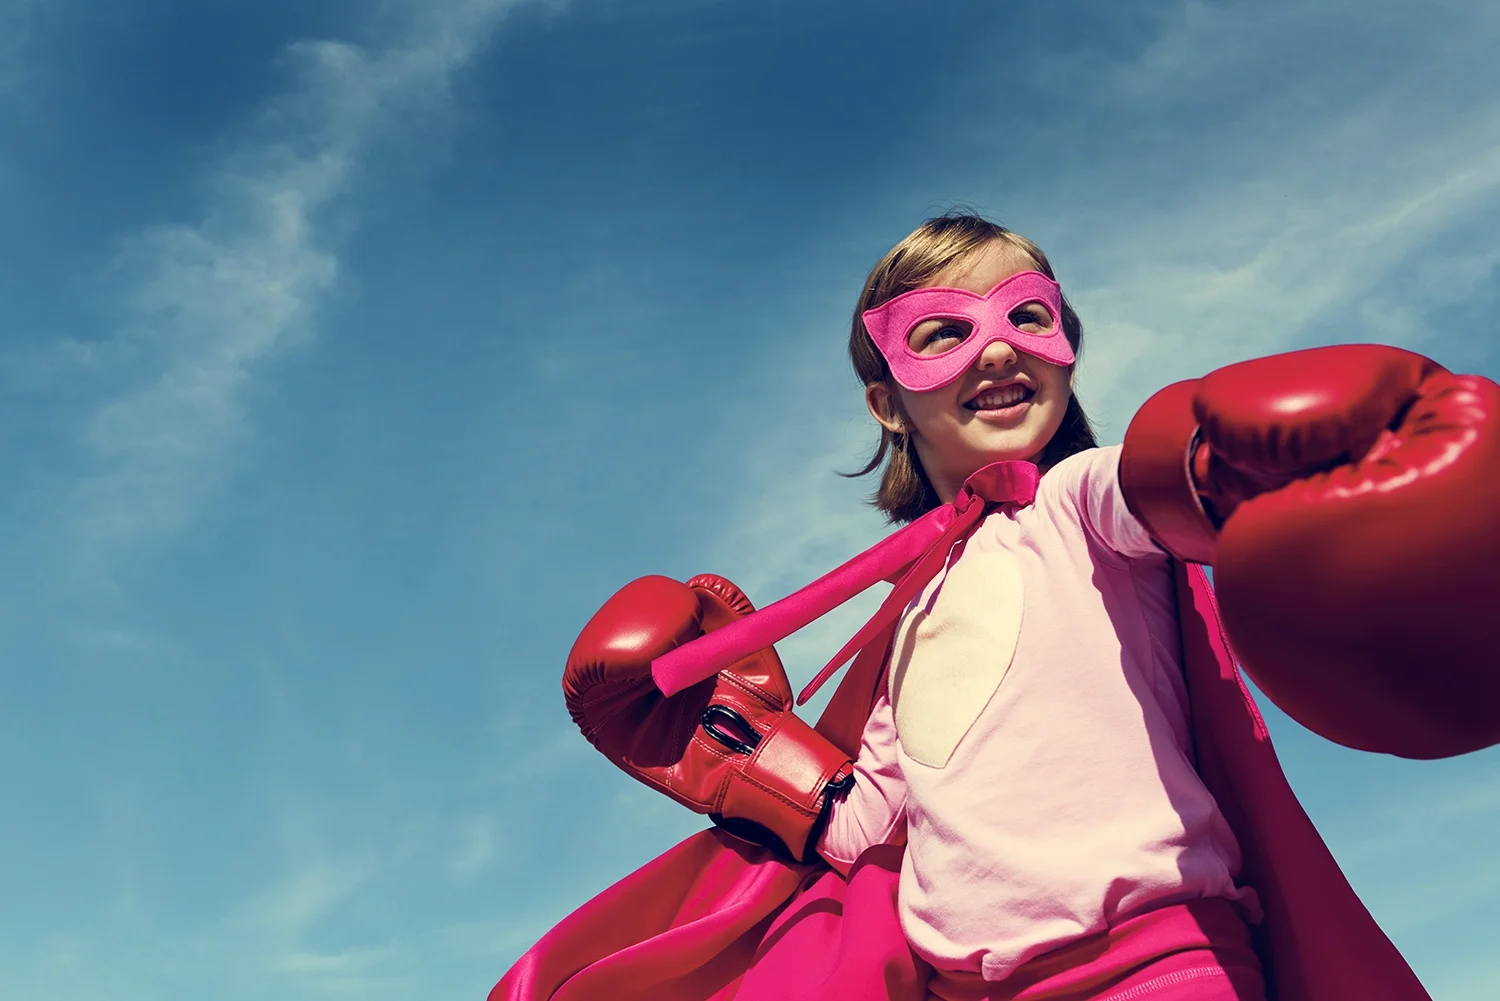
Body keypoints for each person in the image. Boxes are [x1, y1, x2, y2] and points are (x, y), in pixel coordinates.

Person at [495, 213, 1499, 1001]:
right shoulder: (910, 608)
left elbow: (1168, 489)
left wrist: (1233, 452)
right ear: (887, 397)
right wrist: (737, 753)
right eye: (943, 332)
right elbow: (881, 824)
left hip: (1153, 959)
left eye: (1029, 317)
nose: (998, 350)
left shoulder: (1074, 506)